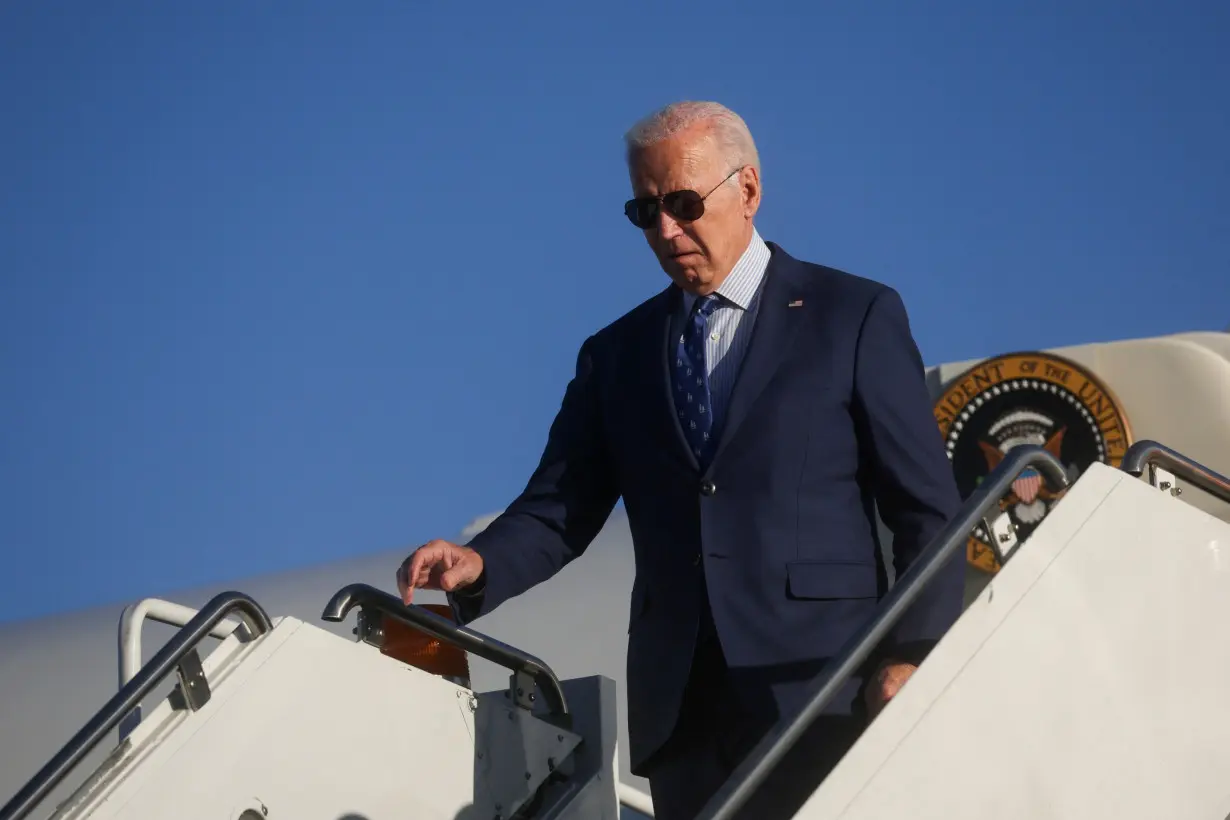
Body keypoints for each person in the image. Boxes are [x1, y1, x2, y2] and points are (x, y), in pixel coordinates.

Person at [396, 101, 965, 819]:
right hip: (685, 718)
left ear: (749, 190)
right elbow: (559, 507)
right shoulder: (618, 355)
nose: (666, 230)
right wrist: (480, 564)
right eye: (646, 211)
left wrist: (915, 653)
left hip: (824, 693)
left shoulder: (852, 316)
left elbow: (928, 511)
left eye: (685, 203)